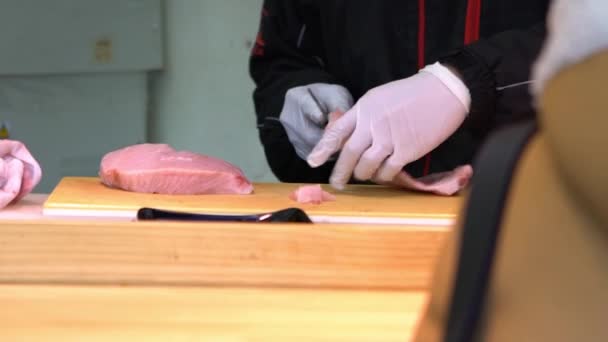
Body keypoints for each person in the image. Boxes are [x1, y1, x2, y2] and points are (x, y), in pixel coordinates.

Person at [250, 0, 550, 188]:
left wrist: (466, 82)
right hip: (360, 214)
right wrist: (297, 97)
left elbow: (593, 47)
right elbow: (282, 58)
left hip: (537, 212)